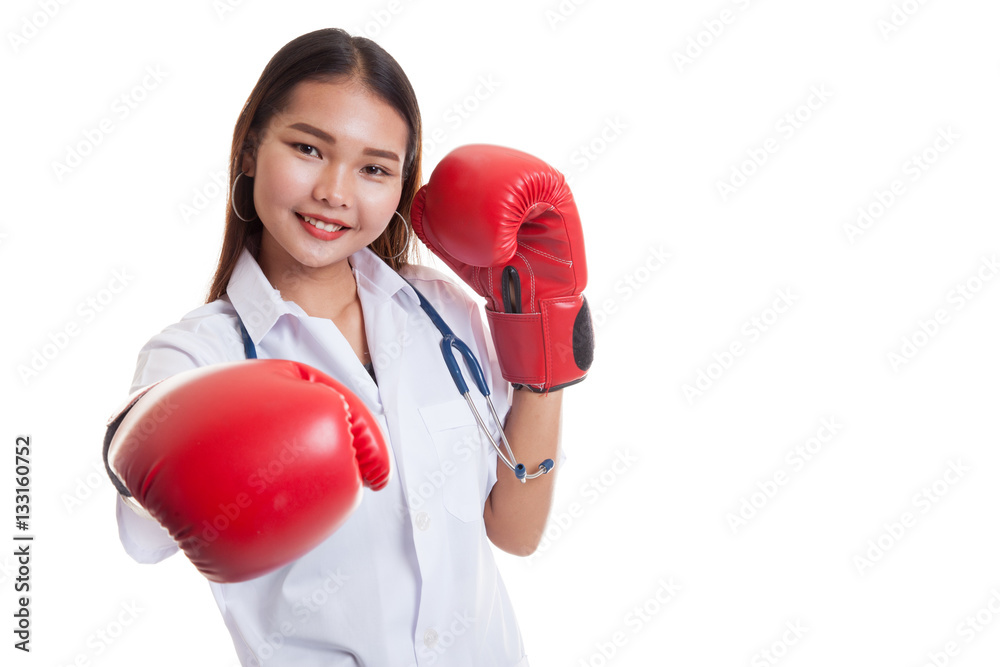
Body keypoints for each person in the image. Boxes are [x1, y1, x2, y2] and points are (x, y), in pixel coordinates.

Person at [107, 27, 592, 666]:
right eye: (308, 148)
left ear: (401, 187)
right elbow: (144, 535)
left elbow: (516, 531)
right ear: (250, 151)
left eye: (374, 169)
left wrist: (542, 357)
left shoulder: (441, 311)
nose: (335, 192)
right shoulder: (197, 354)